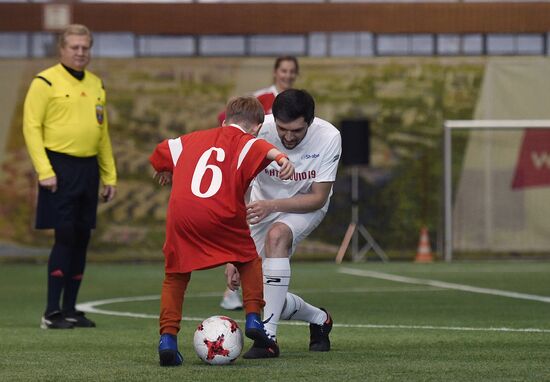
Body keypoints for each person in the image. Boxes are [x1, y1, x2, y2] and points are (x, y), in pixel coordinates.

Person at [149, 96, 294, 366]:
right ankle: (253, 318)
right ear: (256, 127)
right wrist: (282, 158)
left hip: (182, 216)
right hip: (221, 213)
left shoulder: (188, 139)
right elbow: (264, 149)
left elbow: (161, 151)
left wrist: (166, 169)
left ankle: (167, 338)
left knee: (175, 275)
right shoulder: (247, 141)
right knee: (249, 261)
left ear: (225, 119)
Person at [224, 89, 342, 359]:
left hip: (304, 205)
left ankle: (268, 338)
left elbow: (317, 197)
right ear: (272, 120)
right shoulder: (257, 130)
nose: (288, 137)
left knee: (277, 235)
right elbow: (238, 188)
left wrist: (272, 207)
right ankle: (320, 319)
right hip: (259, 207)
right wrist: (234, 251)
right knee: (259, 291)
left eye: (297, 131)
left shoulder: (329, 136)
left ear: (310, 123)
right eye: (282, 129)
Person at [22, 24, 117, 330]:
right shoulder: (44, 82)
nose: (80, 53)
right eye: (74, 47)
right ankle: (51, 313)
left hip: (88, 170)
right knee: (64, 236)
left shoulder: (96, 84)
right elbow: (31, 127)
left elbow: (102, 134)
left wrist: (109, 176)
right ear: (61, 49)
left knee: (81, 237)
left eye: (85, 47)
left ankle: (71, 309)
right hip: (58, 169)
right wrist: (44, 171)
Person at [219, 55, 299, 310]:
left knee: (279, 237)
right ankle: (234, 291)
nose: (287, 75)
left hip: (285, 174)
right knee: (253, 231)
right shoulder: (262, 99)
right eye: (283, 70)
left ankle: (264, 290)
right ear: (275, 73)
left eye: (291, 71)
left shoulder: (298, 104)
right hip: (259, 173)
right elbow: (228, 118)